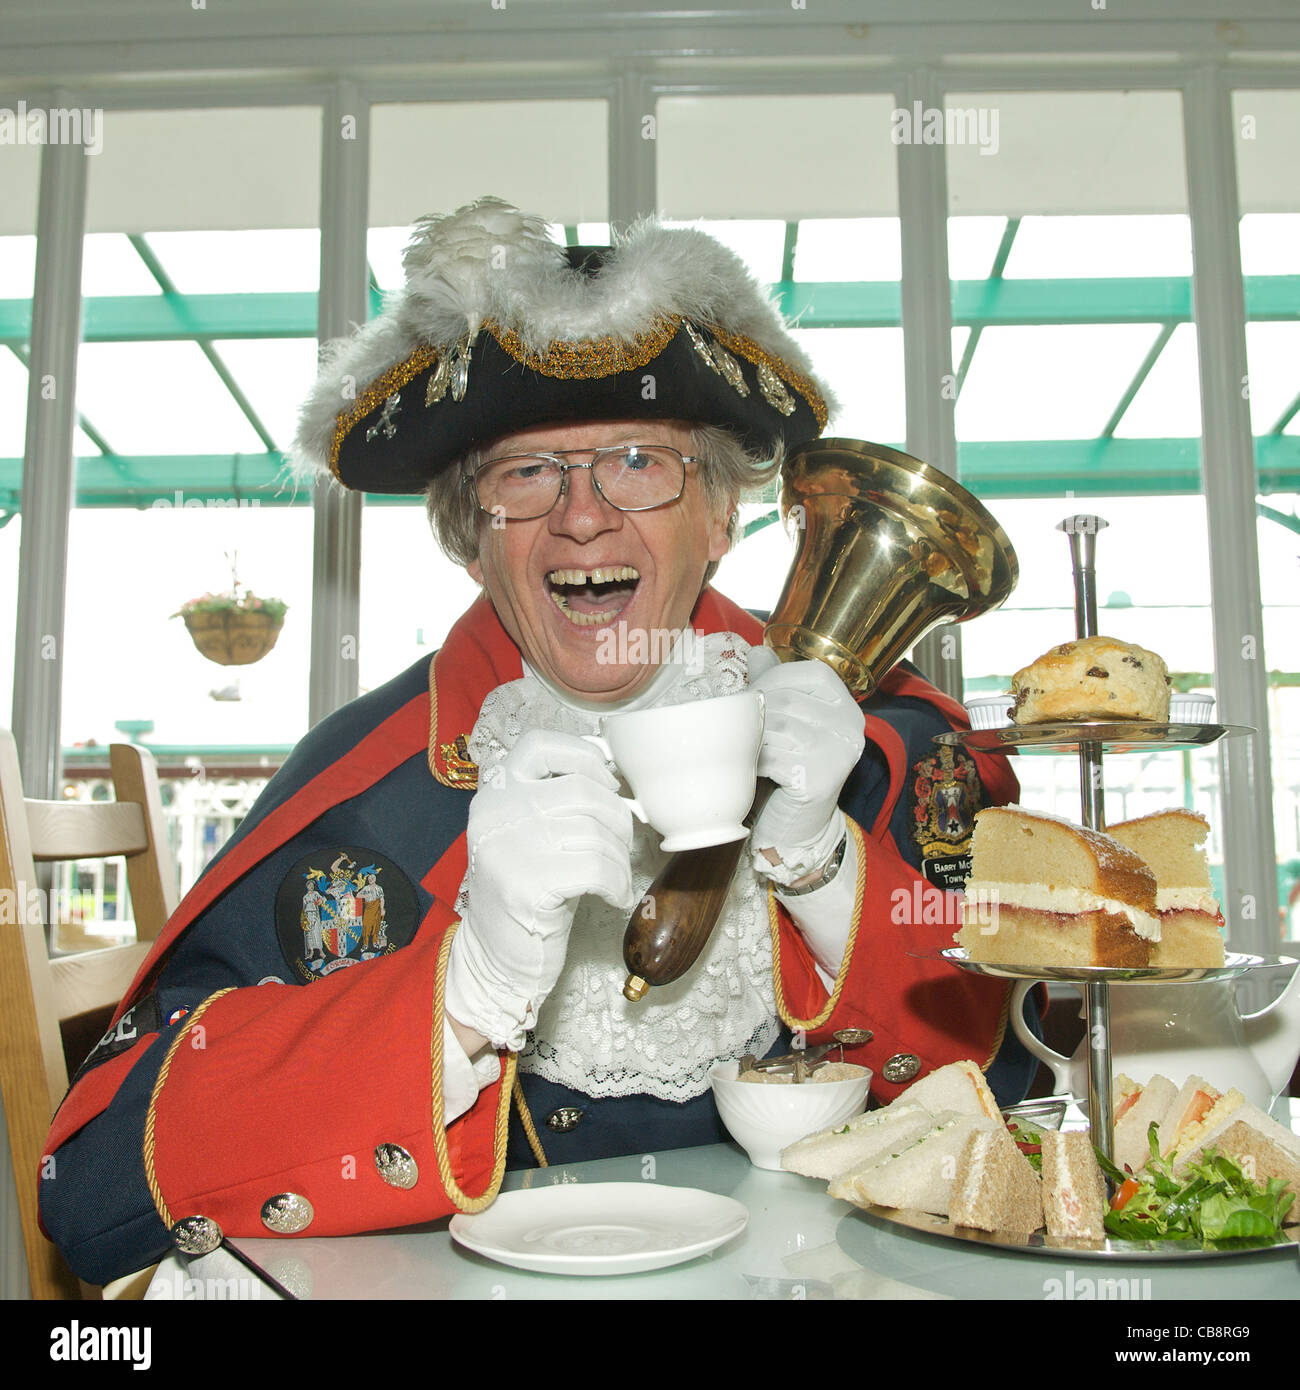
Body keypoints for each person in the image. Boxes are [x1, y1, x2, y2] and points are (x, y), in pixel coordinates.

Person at [39, 198, 1036, 1286]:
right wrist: (460, 998)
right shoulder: (360, 791)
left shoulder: (894, 752)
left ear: (721, 516)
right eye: (525, 474)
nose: (582, 515)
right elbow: (93, 1198)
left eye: (640, 462)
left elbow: (1037, 1104)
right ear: (472, 542)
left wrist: (831, 873)